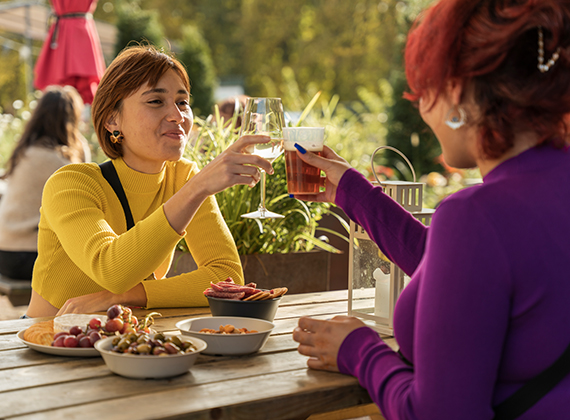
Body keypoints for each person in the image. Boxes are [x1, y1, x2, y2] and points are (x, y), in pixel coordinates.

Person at [292, 1, 570, 418]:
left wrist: (359, 349)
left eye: (424, 91)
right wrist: (353, 193)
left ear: (455, 91)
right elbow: (470, 276)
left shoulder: (478, 215)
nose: (421, 109)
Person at [26, 45, 274, 317]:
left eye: (182, 102)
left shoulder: (183, 178)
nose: (178, 117)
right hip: (48, 343)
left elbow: (226, 277)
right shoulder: (71, 184)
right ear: (112, 119)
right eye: (156, 101)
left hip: (129, 343)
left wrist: (130, 296)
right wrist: (198, 188)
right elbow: (112, 269)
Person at [0, 85, 89, 281]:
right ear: (70, 120)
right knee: (92, 266)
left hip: (7, 252)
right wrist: (81, 143)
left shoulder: (28, 151)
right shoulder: (55, 161)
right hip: (25, 254)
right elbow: (88, 186)